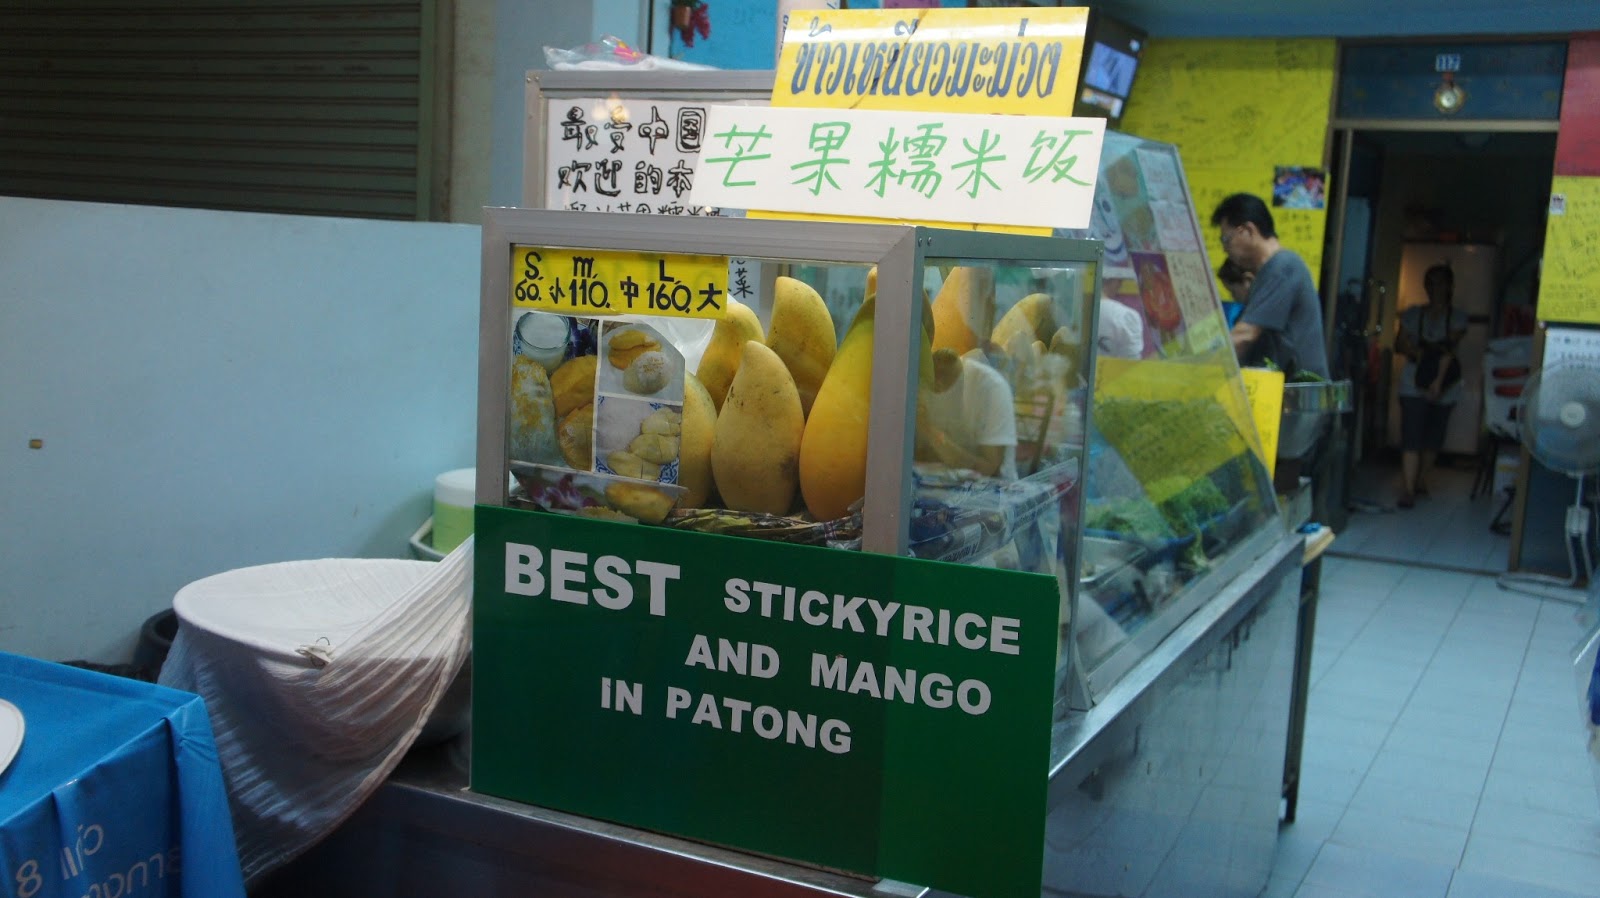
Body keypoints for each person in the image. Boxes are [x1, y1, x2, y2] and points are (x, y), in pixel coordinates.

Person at [1210, 193, 1329, 378]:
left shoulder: (1283, 267)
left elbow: (1245, 335)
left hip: (1300, 391)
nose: (1225, 249)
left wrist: (1203, 366)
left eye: (1226, 239)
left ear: (1248, 231)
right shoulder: (1268, 272)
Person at [1394, 264, 1468, 508]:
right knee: (1411, 435)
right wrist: (1425, 353)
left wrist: (1420, 352)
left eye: (1441, 283)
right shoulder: (1413, 314)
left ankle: (1420, 479)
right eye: (1431, 283)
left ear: (1450, 286)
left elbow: (1448, 348)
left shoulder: (1457, 317)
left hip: (1446, 384)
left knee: (1434, 438)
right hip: (1413, 382)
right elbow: (1400, 344)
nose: (1436, 288)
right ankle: (1408, 488)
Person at [916, 348, 1018, 480]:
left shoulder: (990, 387)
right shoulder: (916, 382)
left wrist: (928, 429)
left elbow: (990, 469)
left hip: (992, 487)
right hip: (934, 482)